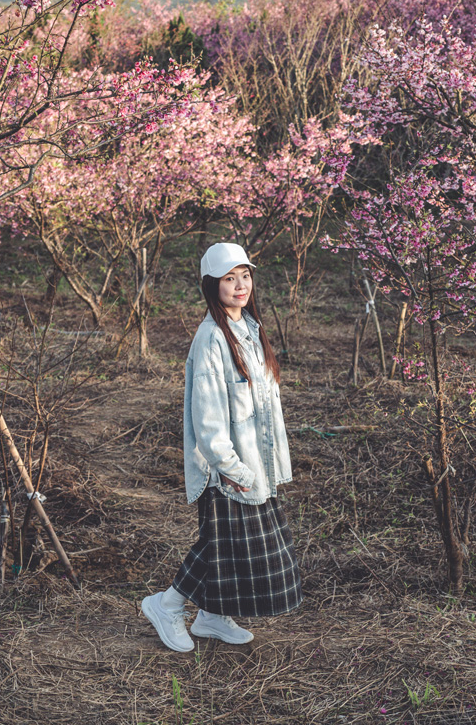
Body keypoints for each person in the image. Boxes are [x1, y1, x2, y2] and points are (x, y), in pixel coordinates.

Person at [141, 242, 301, 651]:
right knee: (221, 544)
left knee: (234, 548)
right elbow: (208, 419)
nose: (240, 285)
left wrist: (266, 463)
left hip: (254, 462)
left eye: (245, 275)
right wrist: (233, 467)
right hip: (228, 469)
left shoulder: (250, 328)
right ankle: (167, 605)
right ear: (212, 286)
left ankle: (211, 616)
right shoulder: (211, 338)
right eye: (229, 279)